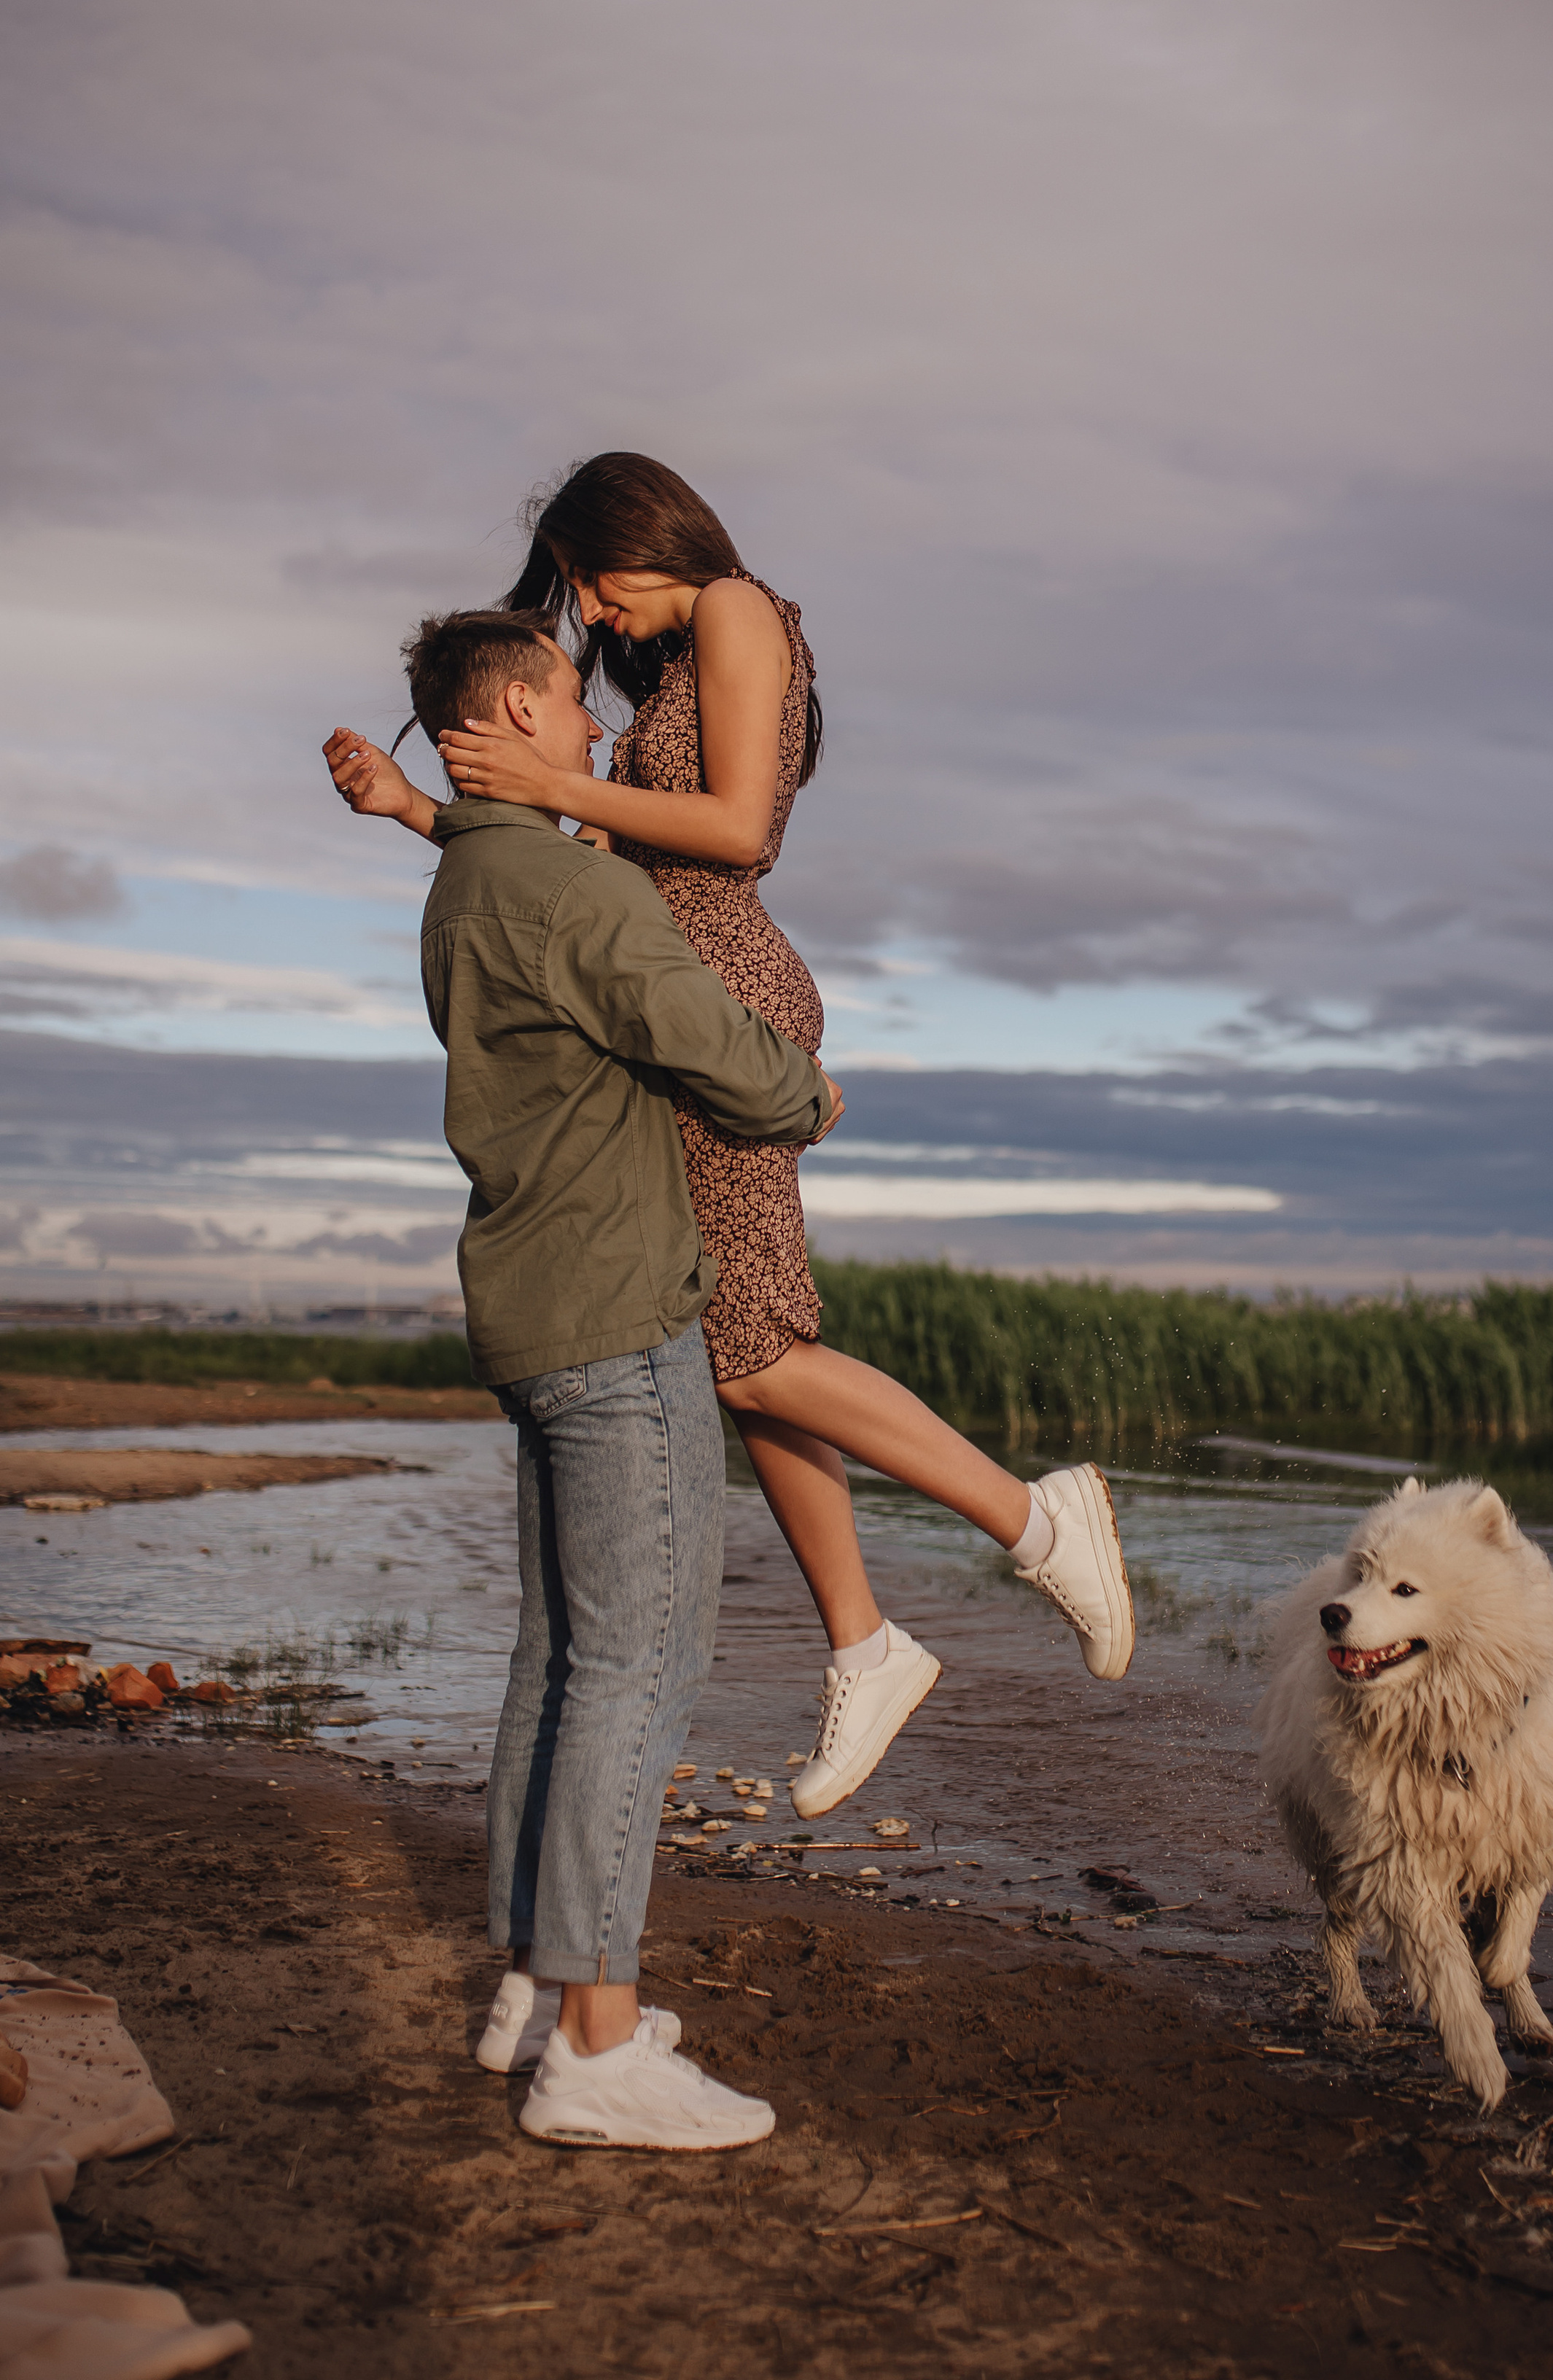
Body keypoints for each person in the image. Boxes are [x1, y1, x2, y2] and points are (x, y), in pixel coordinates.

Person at [324, 452, 1133, 1819]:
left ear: (641, 539)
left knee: (752, 1350)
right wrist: (426, 810)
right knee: (734, 1342)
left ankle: (1038, 1522)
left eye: (590, 584)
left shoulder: (742, 611)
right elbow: (581, 879)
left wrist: (552, 781)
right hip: (669, 990)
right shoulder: (676, 669)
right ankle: (868, 1644)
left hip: (720, 1001)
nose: (594, 615)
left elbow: (737, 830)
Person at [401, 603, 841, 2151]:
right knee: (633, 1677)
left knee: (557, 1662)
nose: (596, 734)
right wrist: (809, 1093)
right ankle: (593, 2048)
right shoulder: (572, 895)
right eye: (570, 709)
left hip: (528, 1312)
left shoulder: (471, 876)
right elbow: (719, 1056)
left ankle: (538, 1980)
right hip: (610, 1322)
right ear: (513, 714)